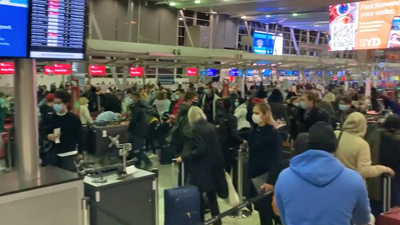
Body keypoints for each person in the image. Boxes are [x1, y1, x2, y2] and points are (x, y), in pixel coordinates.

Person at [274, 122, 371, 225]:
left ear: (308, 145)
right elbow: (362, 219)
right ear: (335, 147)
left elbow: (284, 218)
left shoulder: (284, 177)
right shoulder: (354, 180)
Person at [175, 106, 227, 225]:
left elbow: (200, 149)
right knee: (212, 197)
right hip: (214, 167)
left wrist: (184, 157)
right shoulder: (211, 127)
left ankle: (201, 222)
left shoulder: (196, 129)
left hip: (201, 169)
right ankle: (217, 221)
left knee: (199, 198)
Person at [247, 102, 282, 225]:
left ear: (265, 115)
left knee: (267, 210)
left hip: (266, 176)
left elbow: (276, 158)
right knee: (261, 209)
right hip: (254, 176)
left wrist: (270, 180)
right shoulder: (253, 131)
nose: (254, 115)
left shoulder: (273, 133)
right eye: (253, 113)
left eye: (257, 113)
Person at [335, 112, 394, 179]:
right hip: (352, 183)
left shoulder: (336, 135)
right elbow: (364, 171)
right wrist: (383, 169)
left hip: (335, 180)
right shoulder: (362, 144)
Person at [46, 90, 84, 172]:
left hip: (70, 154)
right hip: (55, 154)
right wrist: (49, 136)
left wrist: (80, 152)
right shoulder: (52, 118)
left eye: (58, 103)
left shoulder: (74, 119)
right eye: (54, 102)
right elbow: (46, 131)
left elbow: (80, 136)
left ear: (66, 104)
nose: (55, 105)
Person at [170, 91, 199, 186]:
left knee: (182, 170)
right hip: (187, 146)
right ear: (189, 100)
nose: (196, 103)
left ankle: (181, 188)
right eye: (194, 100)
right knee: (187, 170)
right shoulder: (189, 113)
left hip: (179, 144)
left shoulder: (181, 110)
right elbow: (187, 132)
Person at [216, 98, 245, 174]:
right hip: (230, 146)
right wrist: (242, 140)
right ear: (231, 106)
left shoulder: (218, 116)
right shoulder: (232, 118)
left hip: (219, 144)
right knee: (231, 169)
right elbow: (233, 133)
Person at [128, 92, 153, 169]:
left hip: (138, 130)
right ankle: (137, 164)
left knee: (137, 148)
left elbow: (134, 121)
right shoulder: (140, 106)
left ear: (137, 98)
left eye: (132, 98)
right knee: (137, 148)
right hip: (142, 129)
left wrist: (129, 128)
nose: (131, 99)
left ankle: (147, 162)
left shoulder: (137, 108)